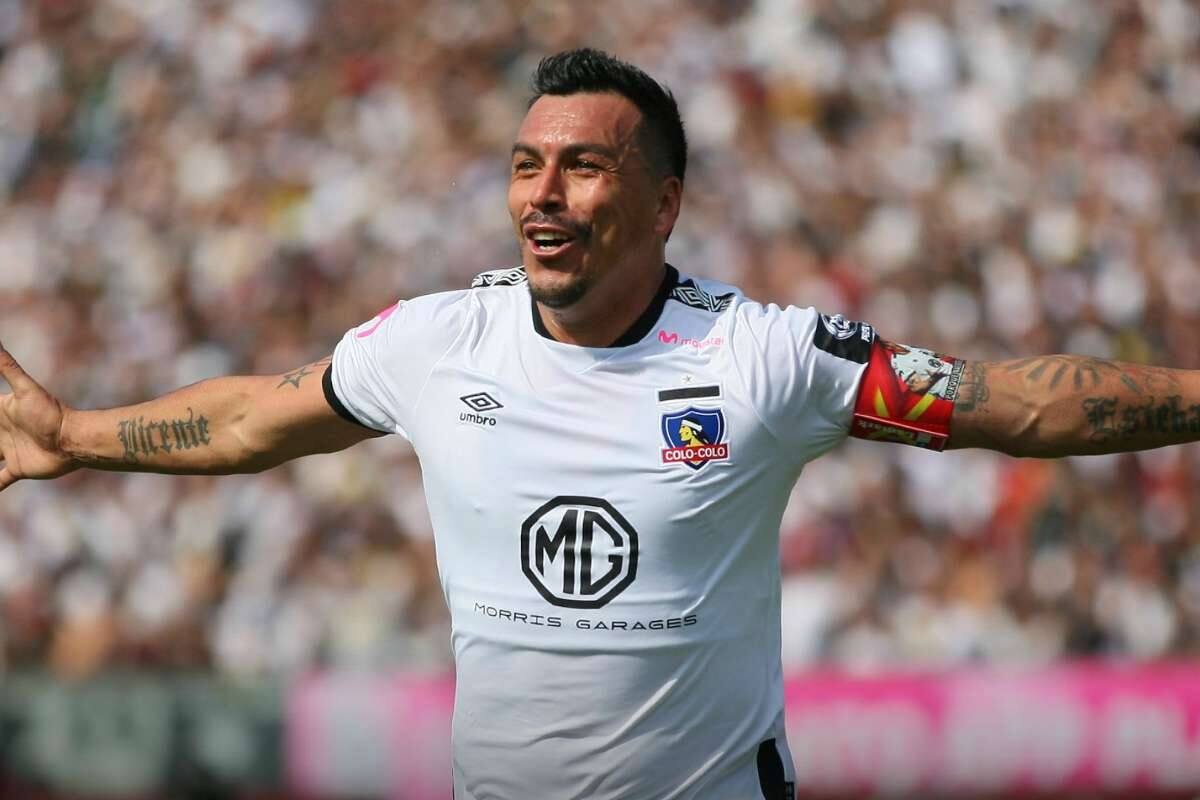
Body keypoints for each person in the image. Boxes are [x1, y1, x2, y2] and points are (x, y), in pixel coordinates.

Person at [0, 47, 1197, 799]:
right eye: (527, 164)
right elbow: (255, 417)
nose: (544, 194)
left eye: (581, 166)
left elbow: (1010, 402)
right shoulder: (435, 341)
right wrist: (73, 435)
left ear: (663, 202)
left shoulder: (767, 357)